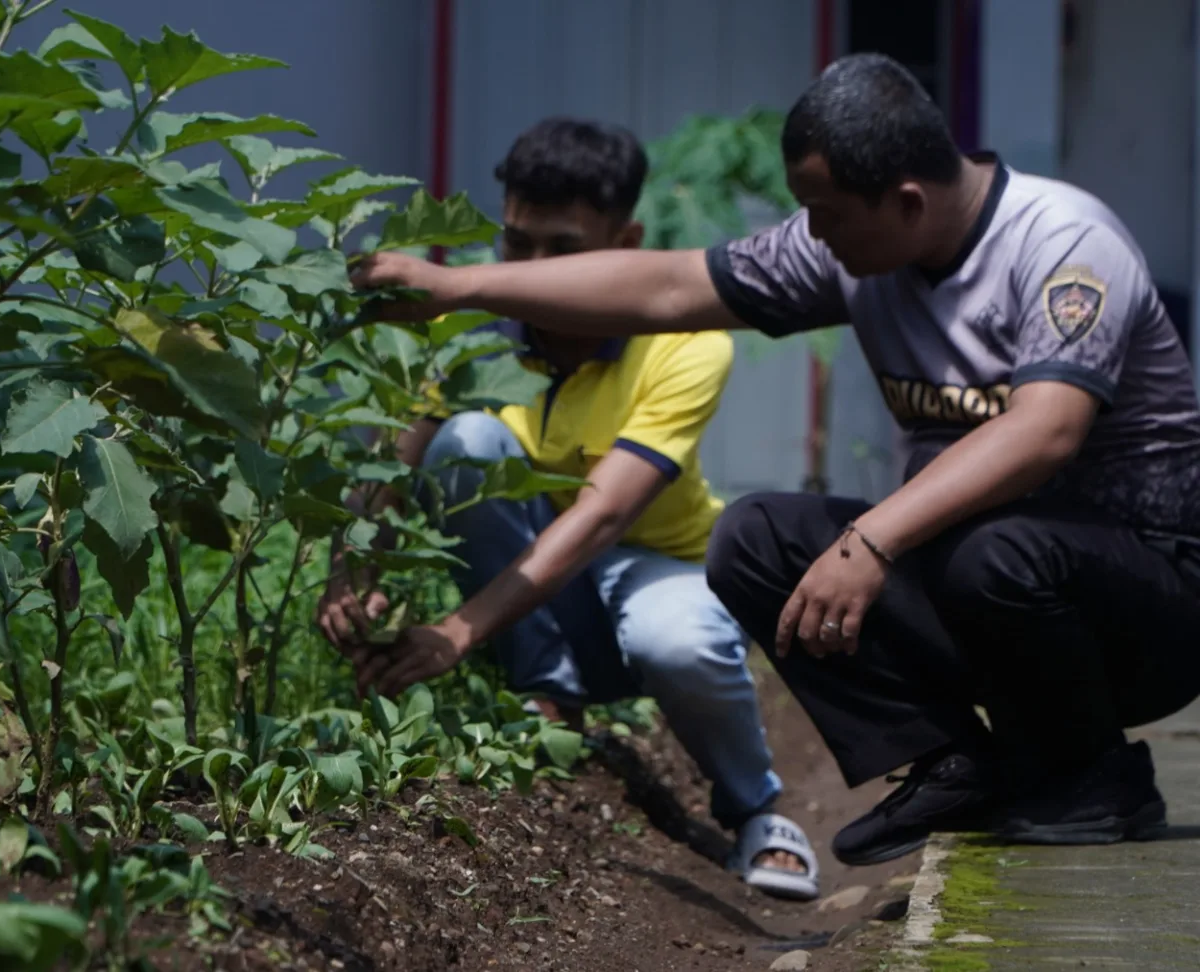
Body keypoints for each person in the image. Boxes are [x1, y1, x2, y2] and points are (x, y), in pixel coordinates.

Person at [346, 53, 1200, 867]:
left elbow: (1044, 430)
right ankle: (954, 764)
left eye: (826, 215)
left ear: (905, 202)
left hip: (1148, 607)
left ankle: (1097, 778)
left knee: (990, 549)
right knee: (757, 537)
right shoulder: (854, 247)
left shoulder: (1062, 244)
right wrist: (460, 287)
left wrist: (869, 542)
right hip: (992, 584)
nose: (812, 237)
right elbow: (671, 288)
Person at [317, 117, 822, 900]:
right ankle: (546, 695)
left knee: (678, 640)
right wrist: (351, 570)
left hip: (656, 563)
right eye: (516, 244)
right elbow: (393, 458)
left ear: (629, 239)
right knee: (467, 441)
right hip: (534, 592)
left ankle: (756, 807)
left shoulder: (687, 341)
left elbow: (602, 518)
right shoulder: (467, 323)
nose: (530, 270)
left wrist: (453, 633)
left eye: (563, 249)